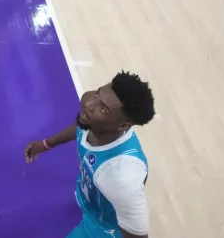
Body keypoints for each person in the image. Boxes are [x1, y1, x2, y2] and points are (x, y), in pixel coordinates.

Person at [24, 72, 156, 238]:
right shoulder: (94, 119)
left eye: (103, 108)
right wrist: (46, 144)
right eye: (97, 93)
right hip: (93, 200)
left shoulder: (121, 177)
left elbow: (138, 235)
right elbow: (81, 129)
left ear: (123, 125)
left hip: (104, 227)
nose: (88, 103)